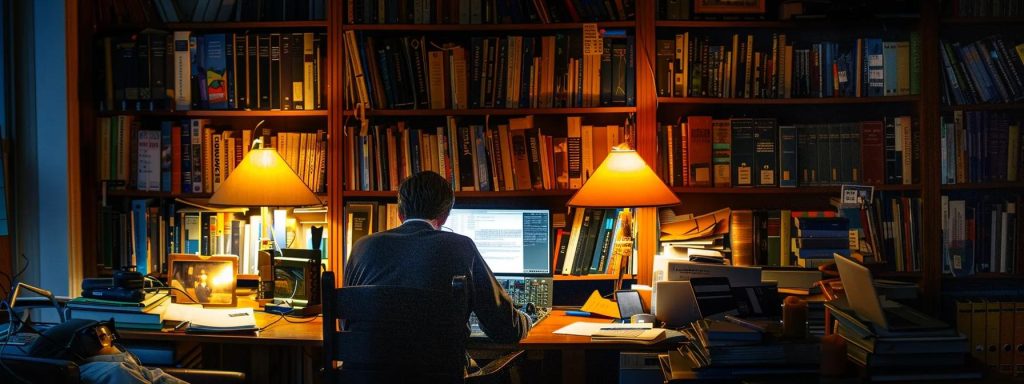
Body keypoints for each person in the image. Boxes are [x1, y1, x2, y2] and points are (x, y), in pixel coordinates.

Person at [344, 171, 532, 367]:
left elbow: (347, 324)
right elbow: (505, 330)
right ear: (444, 217)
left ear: (400, 214)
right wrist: (527, 319)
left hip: (366, 375)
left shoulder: (361, 247)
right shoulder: (461, 247)